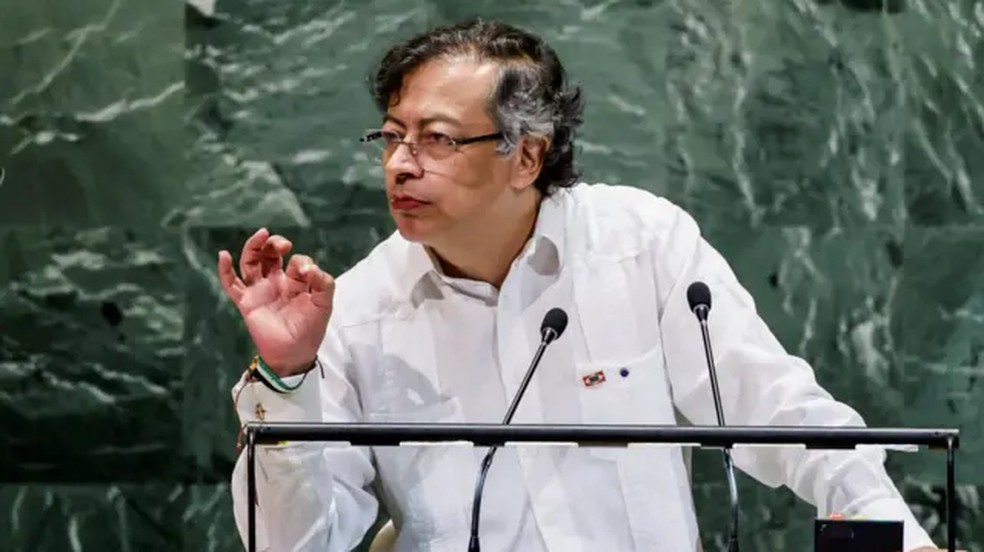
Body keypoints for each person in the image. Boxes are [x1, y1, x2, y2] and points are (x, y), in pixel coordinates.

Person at [219, 19, 950, 552]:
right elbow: (296, 547)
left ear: (525, 156)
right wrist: (289, 380)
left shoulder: (640, 246)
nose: (401, 165)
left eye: (437, 138)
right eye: (391, 136)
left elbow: (785, 416)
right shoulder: (357, 311)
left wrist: (904, 542)